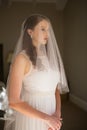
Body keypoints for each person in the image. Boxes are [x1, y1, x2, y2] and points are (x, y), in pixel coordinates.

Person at [4, 14, 69, 130]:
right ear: (30, 32)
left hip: (52, 116)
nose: (47, 34)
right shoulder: (22, 59)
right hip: (32, 118)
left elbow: (56, 90)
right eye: (42, 29)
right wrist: (46, 118)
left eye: (48, 30)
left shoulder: (49, 58)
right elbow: (13, 101)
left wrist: (57, 115)